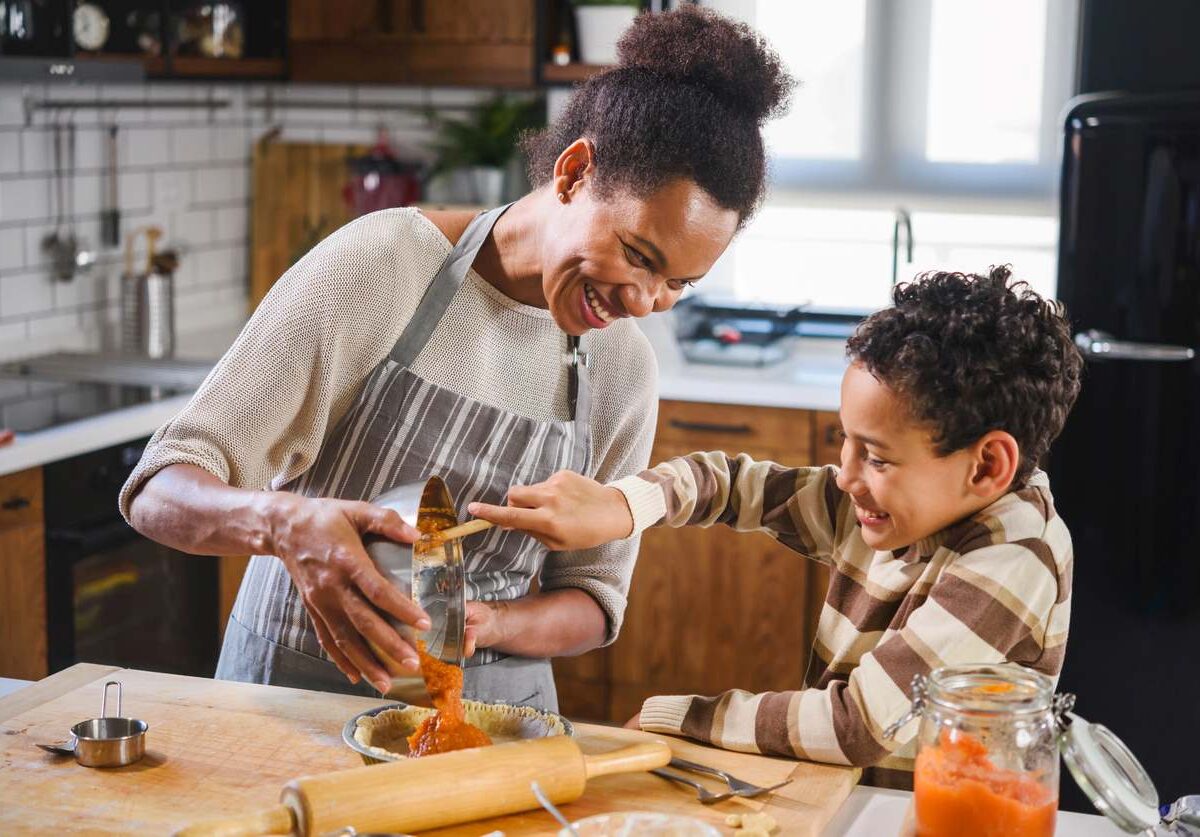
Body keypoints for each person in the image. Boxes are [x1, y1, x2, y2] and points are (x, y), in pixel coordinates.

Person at [119, 6, 793, 709]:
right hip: (293, 700)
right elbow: (158, 488)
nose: (645, 300)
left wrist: (492, 623)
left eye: (677, 284)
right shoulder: (385, 266)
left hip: (494, 719)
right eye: (638, 255)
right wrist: (284, 524)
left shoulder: (623, 369)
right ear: (573, 172)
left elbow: (593, 600)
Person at [469, 266, 1083, 783]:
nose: (845, 476)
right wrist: (622, 507)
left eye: (877, 456)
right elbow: (730, 483)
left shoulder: (1016, 553)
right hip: (855, 800)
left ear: (988, 465)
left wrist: (680, 718)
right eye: (846, 442)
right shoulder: (904, 502)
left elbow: (859, 724)